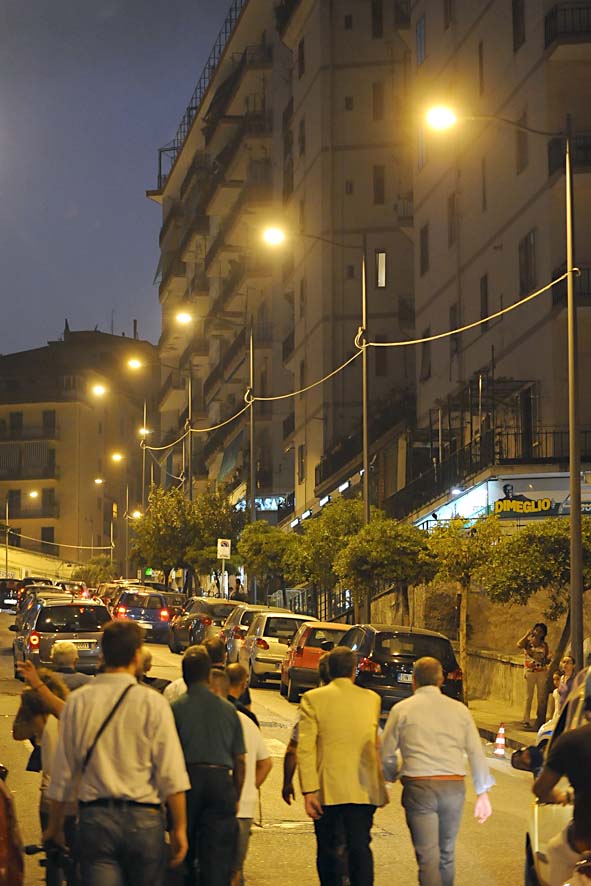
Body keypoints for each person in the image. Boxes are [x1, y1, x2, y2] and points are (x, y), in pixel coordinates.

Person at [44, 620, 190, 885]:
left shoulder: (78, 702)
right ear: (137, 656)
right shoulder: (153, 703)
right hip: (145, 821)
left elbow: (63, 773)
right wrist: (179, 828)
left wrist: (54, 825)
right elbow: (172, 774)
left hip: (96, 820)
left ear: (102, 655)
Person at [381, 656, 494, 886]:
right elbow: (475, 751)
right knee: (446, 855)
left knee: (427, 858)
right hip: (453, 788)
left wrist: (388, 779)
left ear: (414, 681)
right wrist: (483, 793)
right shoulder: (459, 710)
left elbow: (386, 753)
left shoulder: (402, 710)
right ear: (441, 680)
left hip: (418, 786)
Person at [298, 646, 388, 886]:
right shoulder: (372, 699)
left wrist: (309, 790)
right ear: (354, 670)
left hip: (328, 789)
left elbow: (306, 748)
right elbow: (374, 744)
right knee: (360, 846)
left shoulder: (312, 699)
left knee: (328, 849)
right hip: (363, 788)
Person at [171, 645, 246, 886]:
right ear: (208, 675)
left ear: (185, 676)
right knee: (217, 855)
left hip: (187, 783)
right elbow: (240, 760)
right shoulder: (228, 710)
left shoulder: (175, 708)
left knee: (185, 850)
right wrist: (236, 794)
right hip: (220, 782)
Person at [209, 669, 272, 886]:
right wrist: (249, 788)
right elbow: (265, 763)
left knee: (210, 866)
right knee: (235, 870)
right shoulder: (247, 722)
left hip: (212, 806)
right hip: (242, 809)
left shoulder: (209, 722)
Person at [12, 670, 75, 886]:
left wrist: (25, 704)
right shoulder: (71, 714)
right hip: (77, 800)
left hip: (51, 798)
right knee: (74, 862)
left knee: (55, 859)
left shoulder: (43, 722)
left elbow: (17, 732)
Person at [533, 699, 591, 886]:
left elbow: (541, 789)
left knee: (556, 849)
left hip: (584, 838)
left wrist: (561, 796)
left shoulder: (571, 740)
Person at [282, 652, 331, 806]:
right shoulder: (367, 700)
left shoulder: (311, 702)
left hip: (324, 790)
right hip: (359, 794)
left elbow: (293, 749)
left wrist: (287, 782)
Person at [518, 622, 551, 728]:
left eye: (541, 631)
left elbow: (546, 659)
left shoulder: (544, 645)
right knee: (528, 696)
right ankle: (526, 719)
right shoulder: (528, 643)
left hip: (541, 672)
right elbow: (518, 644)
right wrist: (527, 635)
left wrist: (548, 659)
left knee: (541, 696)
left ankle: (540, 718)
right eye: (536, 630)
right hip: (530, 672)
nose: (538, 633)